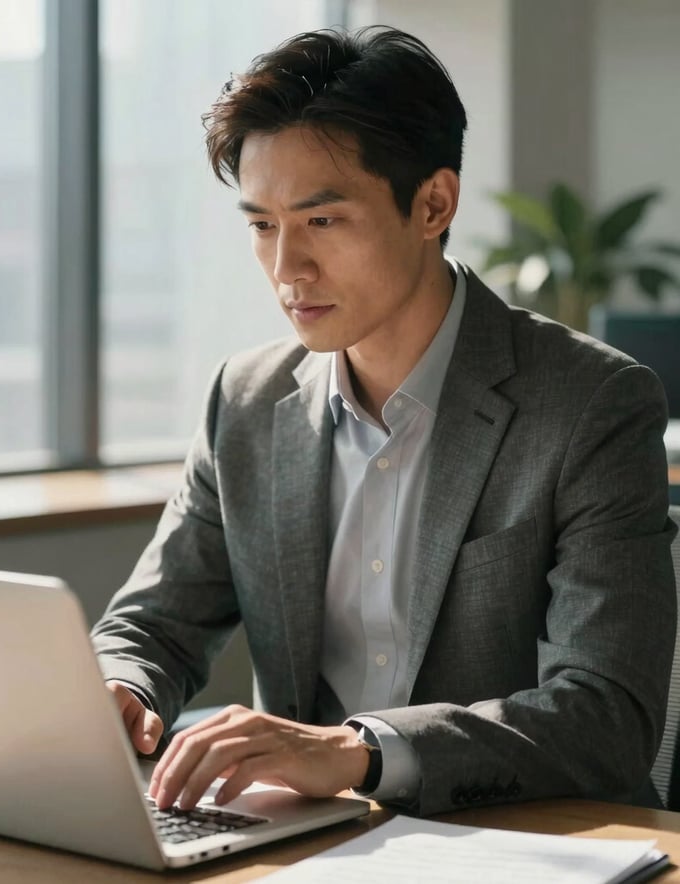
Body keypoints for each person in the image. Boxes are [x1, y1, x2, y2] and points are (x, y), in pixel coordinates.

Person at [91, 26, 677, 817]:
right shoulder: (247, 399)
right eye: (262, 225)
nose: (287, 268)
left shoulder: (591, 404)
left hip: (528, 842)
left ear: (433, 204)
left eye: (323, 222)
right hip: (308, 841)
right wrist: (121, 687)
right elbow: (153, 625)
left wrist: (358, 752)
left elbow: (607, 716)